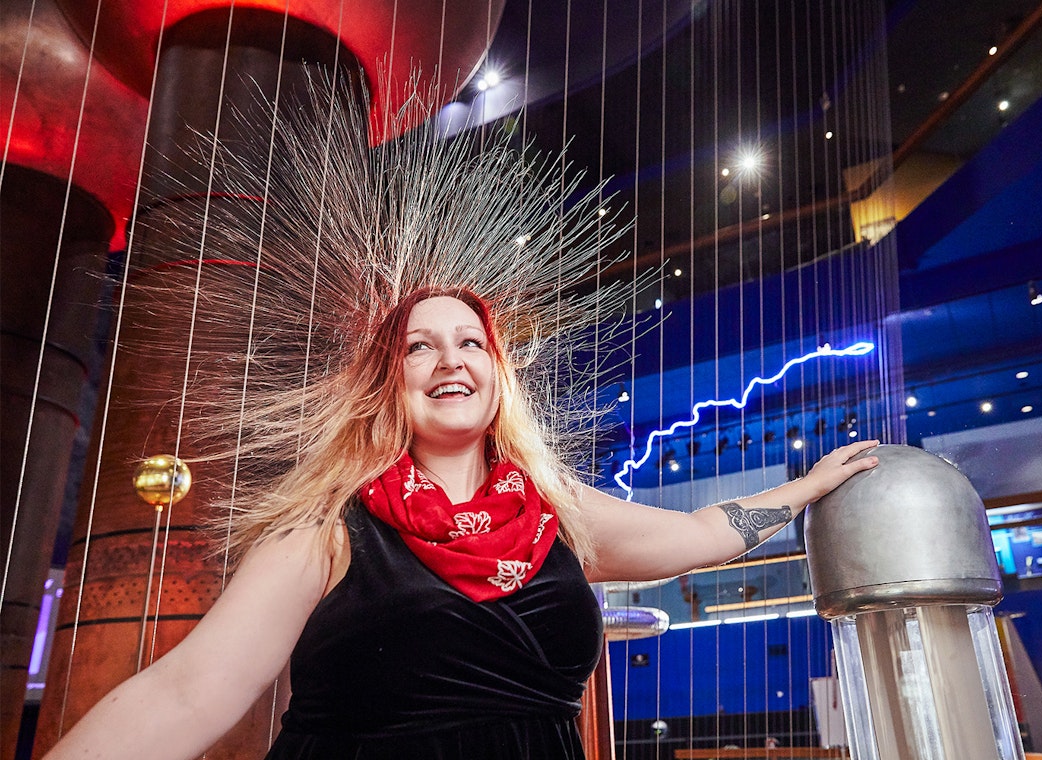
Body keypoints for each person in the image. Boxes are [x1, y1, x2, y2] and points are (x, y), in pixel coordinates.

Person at [43, 78, 882, 760]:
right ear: (389, 381)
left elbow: (698, 533)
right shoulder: (328, 530)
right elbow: (187, 691)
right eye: (420, 347)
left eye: (470, 342)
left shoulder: (556, 515)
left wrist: (805, 486)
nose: (450, 360)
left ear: (495, 371)